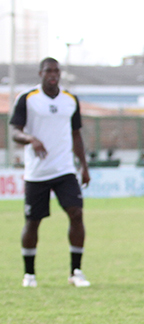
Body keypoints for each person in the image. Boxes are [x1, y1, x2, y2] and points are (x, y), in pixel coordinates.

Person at [9, 57, 91, 288]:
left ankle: (76, 271)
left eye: (56, 70)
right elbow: (15, 131)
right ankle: (30, 274)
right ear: (40, 73)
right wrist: (30, 139)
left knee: (76, 214)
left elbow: (76, 134)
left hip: (64, 169)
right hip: (37, 172)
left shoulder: (70, 100)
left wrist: (83, 166)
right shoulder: (27, 99)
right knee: (33, 222)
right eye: (48, 71)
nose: (53, 74)